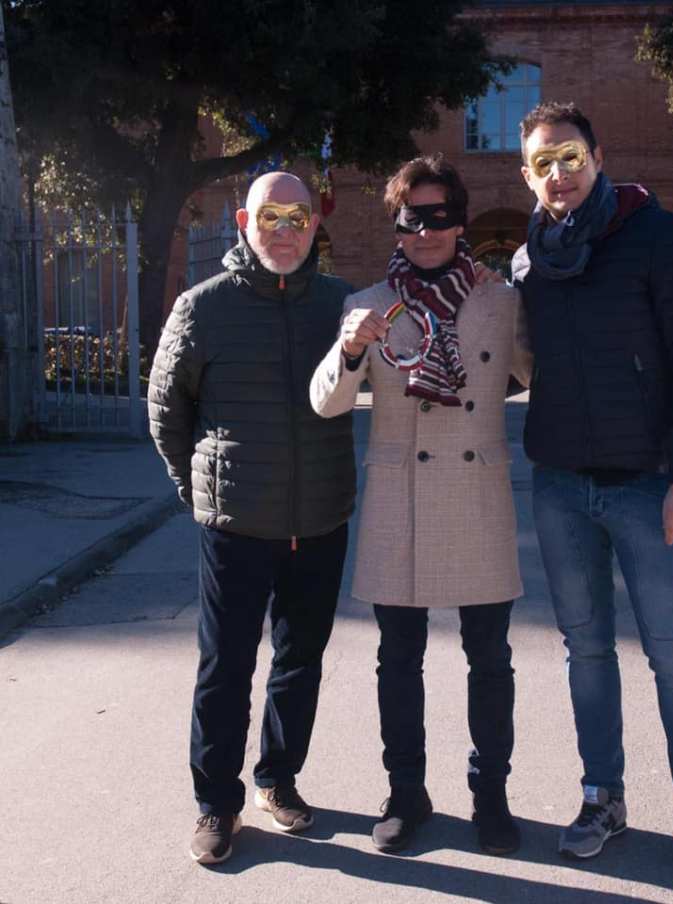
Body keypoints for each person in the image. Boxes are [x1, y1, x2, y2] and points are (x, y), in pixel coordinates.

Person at [511, 102, 673, 887]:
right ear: (527, 175)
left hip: (648, 486)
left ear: (597, 156)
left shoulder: (660, 238)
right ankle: (601, 796)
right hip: (561, 484)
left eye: (569, 157)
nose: (558, 175)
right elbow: (514, 358)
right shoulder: (529, 258)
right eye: (542, 164)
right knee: (586, 651)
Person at [310, 155, 532, 856]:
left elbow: (549, 373)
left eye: (440, 217)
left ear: (460, 222)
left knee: (489, 658)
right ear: (397, 227)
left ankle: (489, 796)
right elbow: (327, 403)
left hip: (477, 492)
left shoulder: (501, 301)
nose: (427, 231)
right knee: (397, 658)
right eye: (413, 219)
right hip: (398, 495)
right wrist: (348, 352)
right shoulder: (367, 305)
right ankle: (406, 794)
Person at [148, 172, 355, 866]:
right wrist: (198, 489)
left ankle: (278, 778)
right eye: (272, 216)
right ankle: (215, 803)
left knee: (299, 661)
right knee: (226, 668)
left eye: (299, 217)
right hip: (235, 523)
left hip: (320, 518)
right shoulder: (202, 308)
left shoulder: (339, 303)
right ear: (244, 220)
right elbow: (166, 409)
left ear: (315, 224)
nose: (286, 230)